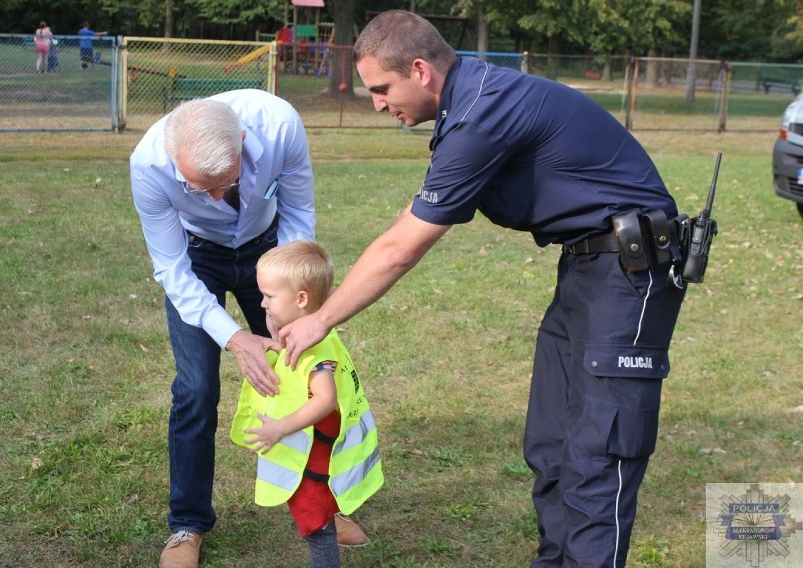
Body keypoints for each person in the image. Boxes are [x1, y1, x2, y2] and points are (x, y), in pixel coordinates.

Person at [278, 10, 688, 568]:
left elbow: (404, 247)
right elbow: (408, 221)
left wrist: (321, 319)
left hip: (628, 277)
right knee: (551, 446)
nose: (376, 103)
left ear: (420, 70)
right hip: (589, 269)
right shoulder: (472, 103)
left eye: (381, 88)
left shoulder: (480, 115)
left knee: (599, 453)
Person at [130, 92, 365, 568]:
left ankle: (325, 505)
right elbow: (173, 269)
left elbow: (299, 215)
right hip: (197, 259)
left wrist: (293, 300)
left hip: (273, 253)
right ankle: (188, 525)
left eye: (226, 182)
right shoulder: (149, 165)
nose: (217, 198)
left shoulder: (280, 124)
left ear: (242, 141)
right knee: (196, 388)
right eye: (200, 189)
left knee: (308, 382)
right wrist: (235, 338)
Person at [231, 240, 383, 568]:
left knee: (318, 526)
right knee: (315, 517)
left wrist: (278, 429)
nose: (262, 303)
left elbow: (325, 399)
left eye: (269, 297)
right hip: (310, 454)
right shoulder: (307, 333)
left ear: (301, 299)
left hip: (313, 457)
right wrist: (275, 331)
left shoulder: (315, 351)